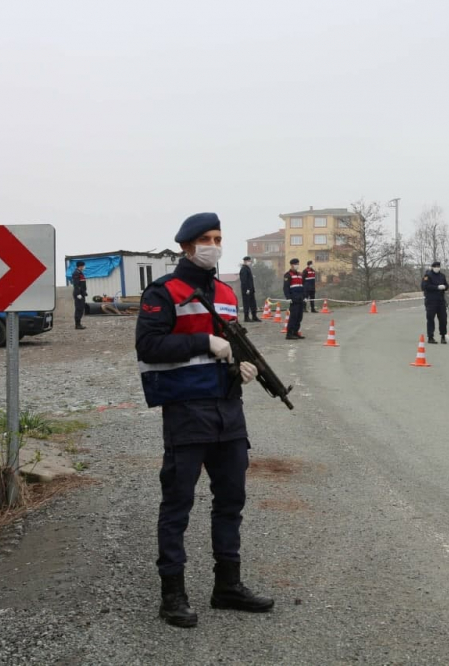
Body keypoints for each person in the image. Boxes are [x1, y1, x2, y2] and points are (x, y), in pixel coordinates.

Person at [135, 212, 274, 629]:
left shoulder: (226, 292)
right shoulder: (163, 292)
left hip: (228, 412)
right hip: (187, 412)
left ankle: (226, 586)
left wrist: (240, 367)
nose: (214, 244)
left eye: (218, 237)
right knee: (177, 505)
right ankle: (172, 595)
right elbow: (149, 345)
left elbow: (231, 345)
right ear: (186, 246)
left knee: (231, 502)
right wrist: (205, 342)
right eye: (206, 239)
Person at [422, 260, 449, 344]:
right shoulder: (427, 276)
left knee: (443, 319)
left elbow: (447, 285)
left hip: (441, 301)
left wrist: (445, 287)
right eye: (436, 267)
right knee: (430, 319)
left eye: (438, 266)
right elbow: (425, 286)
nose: (437, 268)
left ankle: (443, 336)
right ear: (432, 267)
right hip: (431, 301)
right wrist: (437, 287)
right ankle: (430, 337)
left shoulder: (442, 276)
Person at [283, 258, 305, 339]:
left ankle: (295, 332)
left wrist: (304, 296)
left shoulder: (300, 274)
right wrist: (288, 297)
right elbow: (286, 288)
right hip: (294, 298)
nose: (297, 266)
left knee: (299, 317)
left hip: (300, 298)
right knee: (293, 317)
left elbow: (302, 286)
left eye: (298, 264)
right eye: (296, 264)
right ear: (292, 265)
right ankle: (289, 334)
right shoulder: (288, 275)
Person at [239, 256, 260, 322]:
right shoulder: (244, 269)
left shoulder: (247, 268)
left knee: (253, 303)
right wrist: (247, 289)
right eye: (249, 261)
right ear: (245, 261)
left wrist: (252, 289)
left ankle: (254, 316)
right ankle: (246, 317)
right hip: (246, 290)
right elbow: (244, 280)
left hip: (251, 290)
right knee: (246, 304)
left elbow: (250, 280)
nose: (250, 262)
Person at [71, 261, 87, 330]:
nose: (84, 267)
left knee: (81, 309)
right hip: (78, 294)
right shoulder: (76, 273)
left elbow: (82, 284)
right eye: (83, 266)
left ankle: (79, 324)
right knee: (79, 309)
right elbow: (76, 285)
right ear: (80, 266)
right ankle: (77, 325)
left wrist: (84, 292)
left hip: (81, 293)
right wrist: (78, 294)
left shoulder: (80, 273)